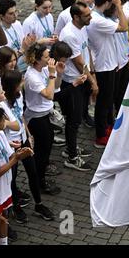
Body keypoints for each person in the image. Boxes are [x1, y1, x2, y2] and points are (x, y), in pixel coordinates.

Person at [1, 72, 56, 223]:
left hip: (23, 140)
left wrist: (28, 134)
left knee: (32, 172)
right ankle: (16, 208)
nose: (23, 82)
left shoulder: (19, 95)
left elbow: (21, 116)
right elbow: (11, 124)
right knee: (12, 178)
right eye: (20, 81)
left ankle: (39, 205)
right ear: (13, 85)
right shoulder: (2, 104)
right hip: (11, 145)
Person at [87, 0, 128, 148]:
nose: (116, 1)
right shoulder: (98, 20)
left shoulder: (98, 16)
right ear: (107, 2)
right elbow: (124, 26)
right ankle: (101, 135)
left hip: (109, 62)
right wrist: (119, 6)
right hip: (103, 66)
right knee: (104, 102)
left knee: (108, 100)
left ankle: (106, 128)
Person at [24, 43, 65, 195]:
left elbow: (56, 87)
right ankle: (40, 181)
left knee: (47, 147)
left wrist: (58, 74)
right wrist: (53, 75)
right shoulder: (32, 76)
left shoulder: (45, 69)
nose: (50, 60)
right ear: (37, 59)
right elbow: (49, 95)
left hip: (44, 115)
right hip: (36, 118)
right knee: (42, 151)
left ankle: (42, 176)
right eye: (47, 57)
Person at [0, 105, 34, 245]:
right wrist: (16, 159)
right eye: (3, 119)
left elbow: (10, 156)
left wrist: (20, 153)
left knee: (4, 219)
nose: (6, 120)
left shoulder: (0, 134)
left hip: (4, 189)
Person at [50, 40, 91, 171]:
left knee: (74, 121)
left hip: (70, 87)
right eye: (65, 58)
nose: (67, 61)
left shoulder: (58, 65)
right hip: (69, 89)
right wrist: (74, 84)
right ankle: (71, 156)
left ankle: (71, 147)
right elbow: (55, 95)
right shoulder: (51, 68)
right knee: (72, 122)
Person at [0, 0, 36, 73]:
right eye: (11, 13)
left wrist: (30, 43)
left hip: (26, 64)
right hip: (12, 71)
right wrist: (22, 50)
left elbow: (24, 44)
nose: (15, 15)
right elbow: (4, 61)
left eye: (16, 12)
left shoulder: (17, 23)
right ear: (2, 16)